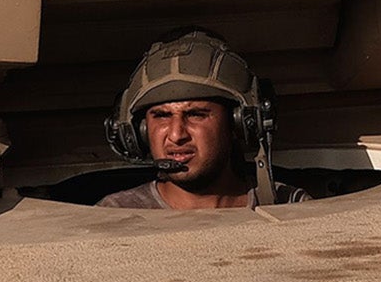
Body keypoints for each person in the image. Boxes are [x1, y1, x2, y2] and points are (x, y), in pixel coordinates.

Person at [97, 30, 306, 209]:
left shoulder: (290, 207)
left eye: (196, 114)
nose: (177, 135)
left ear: (237, 124)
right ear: (140, 131)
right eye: (162, 116)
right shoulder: (114, 216)